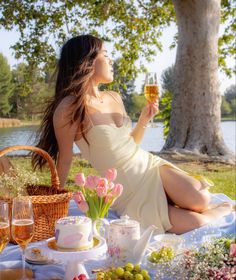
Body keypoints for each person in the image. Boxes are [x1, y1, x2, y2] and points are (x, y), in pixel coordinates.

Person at [32, 34, 233, 234]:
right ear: (87, 61)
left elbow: (130, 144)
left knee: (202, 198)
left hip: (150, 167)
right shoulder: (69, 107)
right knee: (197, 223)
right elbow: (65, 159)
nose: (111, 60)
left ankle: (177, 200)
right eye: (105, 54)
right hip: (129, 190)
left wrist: (144, 120)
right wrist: (52, 203)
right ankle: (211, 211)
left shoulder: (114, 97)